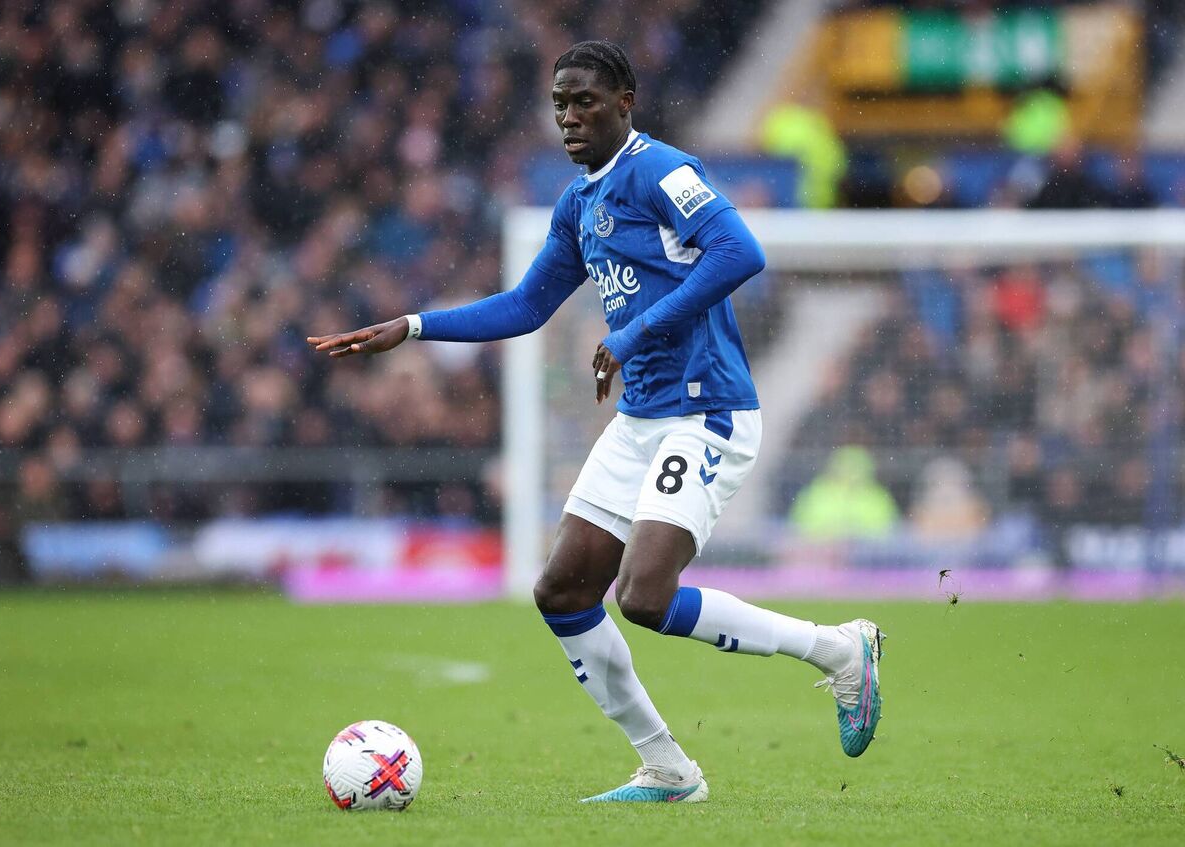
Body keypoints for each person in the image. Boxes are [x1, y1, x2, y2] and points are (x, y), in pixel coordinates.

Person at [308, 40, 884, 804]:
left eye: (584, 102)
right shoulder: (580, 204)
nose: (569, 117)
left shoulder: (661, 171)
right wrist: (411, 326)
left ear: (624, 102)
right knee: (563, 591)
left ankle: (840, 650)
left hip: (705, 411)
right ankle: (668, 769)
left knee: (644, 595)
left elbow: (739, 251)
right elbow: (526, 305)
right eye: (559, 104)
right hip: (642, 420)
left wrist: (636, 331)